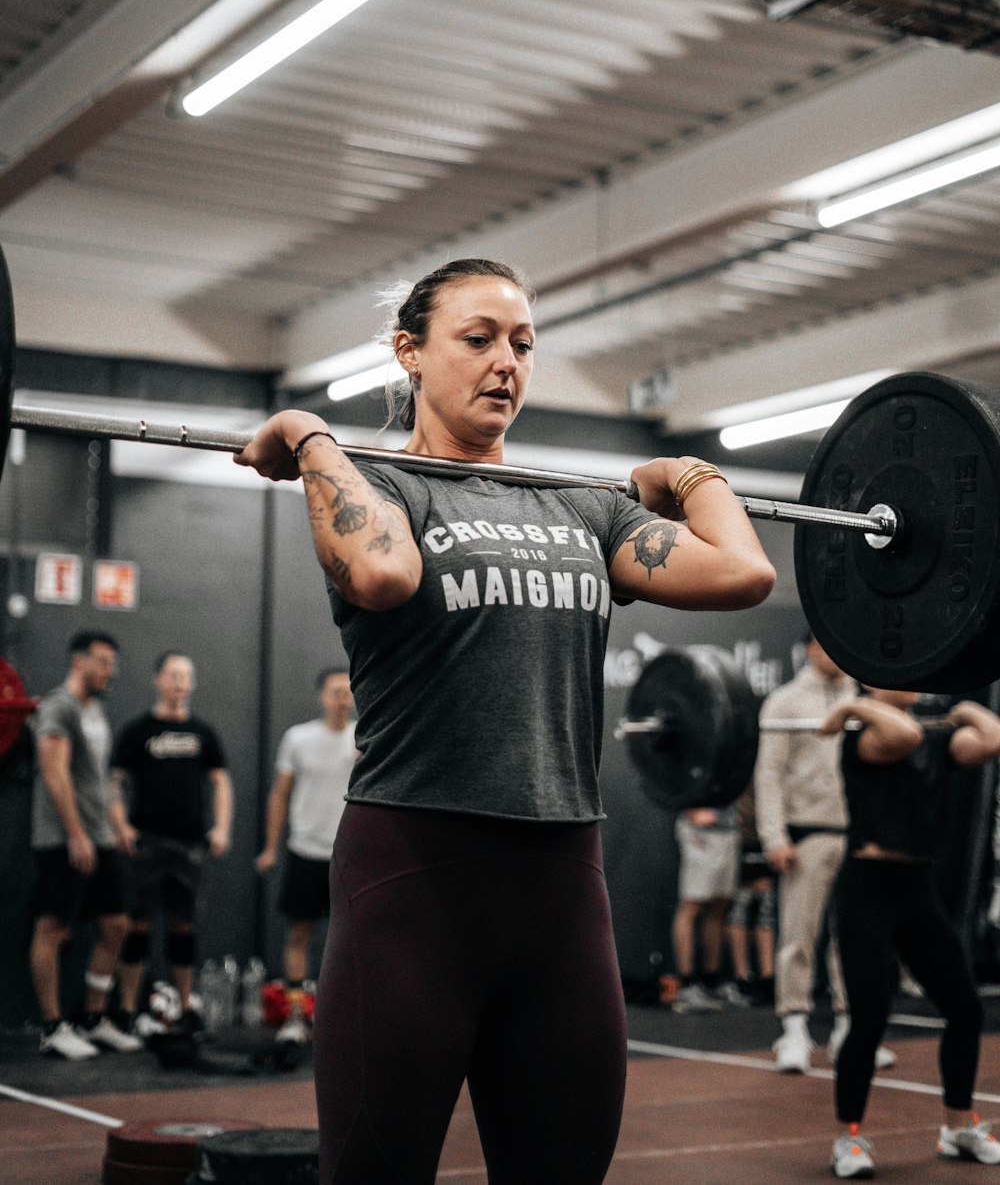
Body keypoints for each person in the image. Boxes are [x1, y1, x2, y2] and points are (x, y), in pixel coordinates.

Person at [235, 256, 775, 1185]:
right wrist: (309, 434)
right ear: (409, 352)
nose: (506, 363)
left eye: (523, 345)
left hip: (563, 891)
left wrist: (687, 475)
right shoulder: (384, 490)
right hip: (413, 883)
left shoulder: (582, 508)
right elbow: (381, 575)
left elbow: (743, 574)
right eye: (478, 339)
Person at [822, 688, 1000, 1178]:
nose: (913, 679)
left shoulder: (936, 738)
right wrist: (854, 708)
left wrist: (966, 711)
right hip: (867, 890)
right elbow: (902, 735)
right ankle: (849, 1140)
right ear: (869, 684)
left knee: (965, 1009)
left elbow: (992, 738)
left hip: (917, 891)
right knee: (870, 1017)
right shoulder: (862, 740)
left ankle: (958, 1126)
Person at [755, 636, 894, 1074]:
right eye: (825, 645)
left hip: (857, 836)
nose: (836, 653)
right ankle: (794, 1029)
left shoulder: (862, 698)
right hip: (806, 835)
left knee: (853, 940)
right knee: (798, 934)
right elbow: (769, 774)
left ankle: (847, 1031)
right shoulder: (785, 701)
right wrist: (774, 836)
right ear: (810, 649)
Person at [29, 630, 142, 1058]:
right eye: (102, 662)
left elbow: (100, 779)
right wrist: (75, 833)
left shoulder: (94, 711)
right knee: (52, 928)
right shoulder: (59, 707)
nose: (109, 671)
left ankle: (94, 1018)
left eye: (112, 663)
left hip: (99, 837)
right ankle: (53, 1028)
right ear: (79, 661)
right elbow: (54, 774)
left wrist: (118, 824)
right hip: (63, 840)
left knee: (116, 924)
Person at [110, 651, 232, 1029]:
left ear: (192, 683)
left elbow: (220, 781)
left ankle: (185, 1006)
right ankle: (128, 1009)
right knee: (137, 925)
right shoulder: (137, 730)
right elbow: (114, 780)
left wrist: (222, 827)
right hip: (145, 840)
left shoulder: (203, 733)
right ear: (158, 679)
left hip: (189, 844)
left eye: (186, 676)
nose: (180, 683)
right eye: (173, 675)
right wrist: (120, 824)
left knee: (183, 926)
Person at [255, 669, 357, 1045]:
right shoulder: (298, 738)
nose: (342, 699)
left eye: (348, 692)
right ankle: (295, 1018)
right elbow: (280, 794)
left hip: (347, 857)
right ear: (322, 696)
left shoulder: (364, 738)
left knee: (349, 942)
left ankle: (340, 1021)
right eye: (335, 692)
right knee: (298, 935)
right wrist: (269, 847)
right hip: (305, 851)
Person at [670, 804, 741, 1012]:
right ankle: (686, 986)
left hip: (728, 829)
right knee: (692, 904)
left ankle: (711, 983)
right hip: (699, 832)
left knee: (720, 905)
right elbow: (671, 778)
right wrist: (691, 811)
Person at [724, 780, 776, 1007]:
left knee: (765, 905)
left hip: (764, 833)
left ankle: (767, 976)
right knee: (740, 905)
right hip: (738, 834)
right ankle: (742, 975)